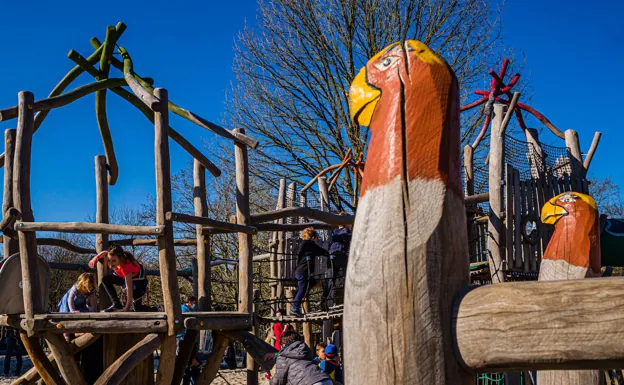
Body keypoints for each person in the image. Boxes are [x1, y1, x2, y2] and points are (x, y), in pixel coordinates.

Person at [88, 245, 150, 312]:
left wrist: (126, 308)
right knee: (105, 279)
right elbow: (105, 253)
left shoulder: (126, 267)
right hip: (125, 279)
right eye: (109, 260)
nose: (111, 264)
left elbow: (129, 288)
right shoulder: (112, 256)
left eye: (114, 261)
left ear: (120, 258)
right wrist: (95, 258)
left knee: (138, 309)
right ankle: (116, 304)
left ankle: (155, 308)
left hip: (138, 282)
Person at [266, 330, 332, 385]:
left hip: (308, 382)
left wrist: (271, 380)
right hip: (325, 379)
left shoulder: (283, 355)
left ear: (284, 344)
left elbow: (278, 381)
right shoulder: (305, 351)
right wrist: (276, 354)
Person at [292, 228, 328, 317]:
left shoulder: (303, 244)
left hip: (300, 271)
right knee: (302, 289)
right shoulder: (310, 245)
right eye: (315, 237)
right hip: (303, 271)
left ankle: (299, 296)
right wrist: (328, 254)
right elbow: (322, 251)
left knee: (312, 282)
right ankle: (294, 308)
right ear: (312, 237)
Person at [322, 215, 352, 310]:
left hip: (332, 256)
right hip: (341, 255)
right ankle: (350, 298)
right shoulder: (346, 231)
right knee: (348, 276)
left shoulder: (334, 232)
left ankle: (324, 298)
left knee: (331, 278)